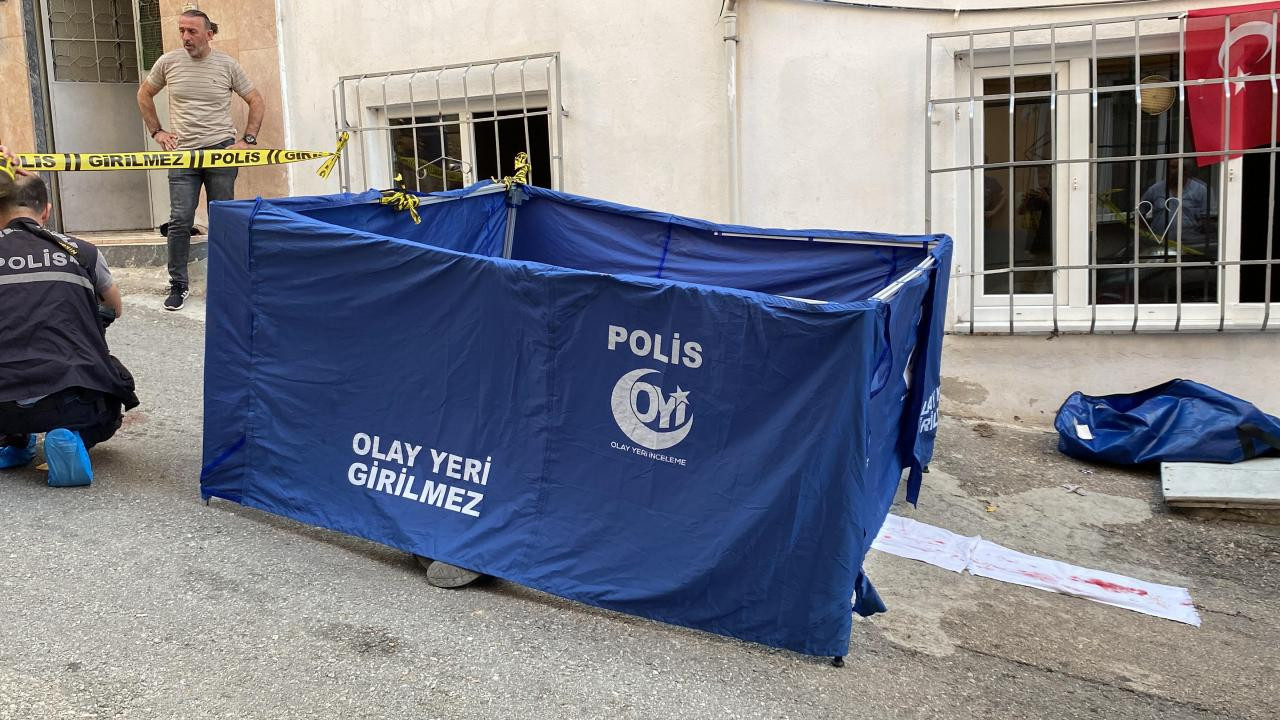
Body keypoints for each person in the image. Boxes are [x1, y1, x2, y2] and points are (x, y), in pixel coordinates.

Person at [0, 164, 139, 487]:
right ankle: (70, 435)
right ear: (47, 211)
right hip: (69, 399)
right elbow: (114, 309)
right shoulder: (82, 251)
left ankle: (12, 442)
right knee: (111, 380)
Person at [136, 8, 265, 311]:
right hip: (183, 154)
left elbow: (256, 100)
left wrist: (247, 140)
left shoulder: (227, 65)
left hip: (221, 151)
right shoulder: (168, 62)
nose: (185, 37)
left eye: (192, 31)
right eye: (182, 30)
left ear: (209, 34)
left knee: (224, 218)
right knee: (180, 220)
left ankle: (229, 282)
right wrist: (157, 132)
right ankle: (178, 285)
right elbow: (144, 94)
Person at [1140, 160, 1212, 250]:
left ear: (1185, 171)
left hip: (1191, 246)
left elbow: (1209, 220)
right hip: (1159, 245)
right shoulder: (1155, 189)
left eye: (1173, 168)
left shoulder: (1200, 190)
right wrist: (1147, 235)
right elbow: (1140, 213)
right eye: (1168, 167)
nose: (1169, 171)